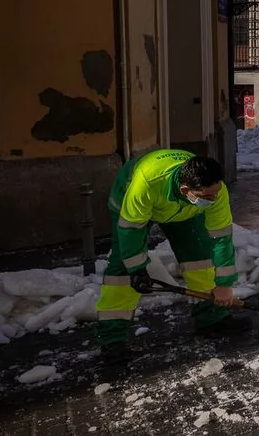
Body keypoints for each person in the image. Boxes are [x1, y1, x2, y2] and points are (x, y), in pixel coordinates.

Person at [95, 150, 249, 356]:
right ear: (186, 190)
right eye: (207, 196)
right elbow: (130, 230)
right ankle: (112, 339)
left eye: (217, 191)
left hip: (184, 210)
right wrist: (137, 269)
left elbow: (220, 238)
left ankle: (211, 318)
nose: (215, 198)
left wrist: (224, 285)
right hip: (132, 206)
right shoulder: (146, 185)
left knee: (200, 256)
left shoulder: (214, 191)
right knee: (122, 268)